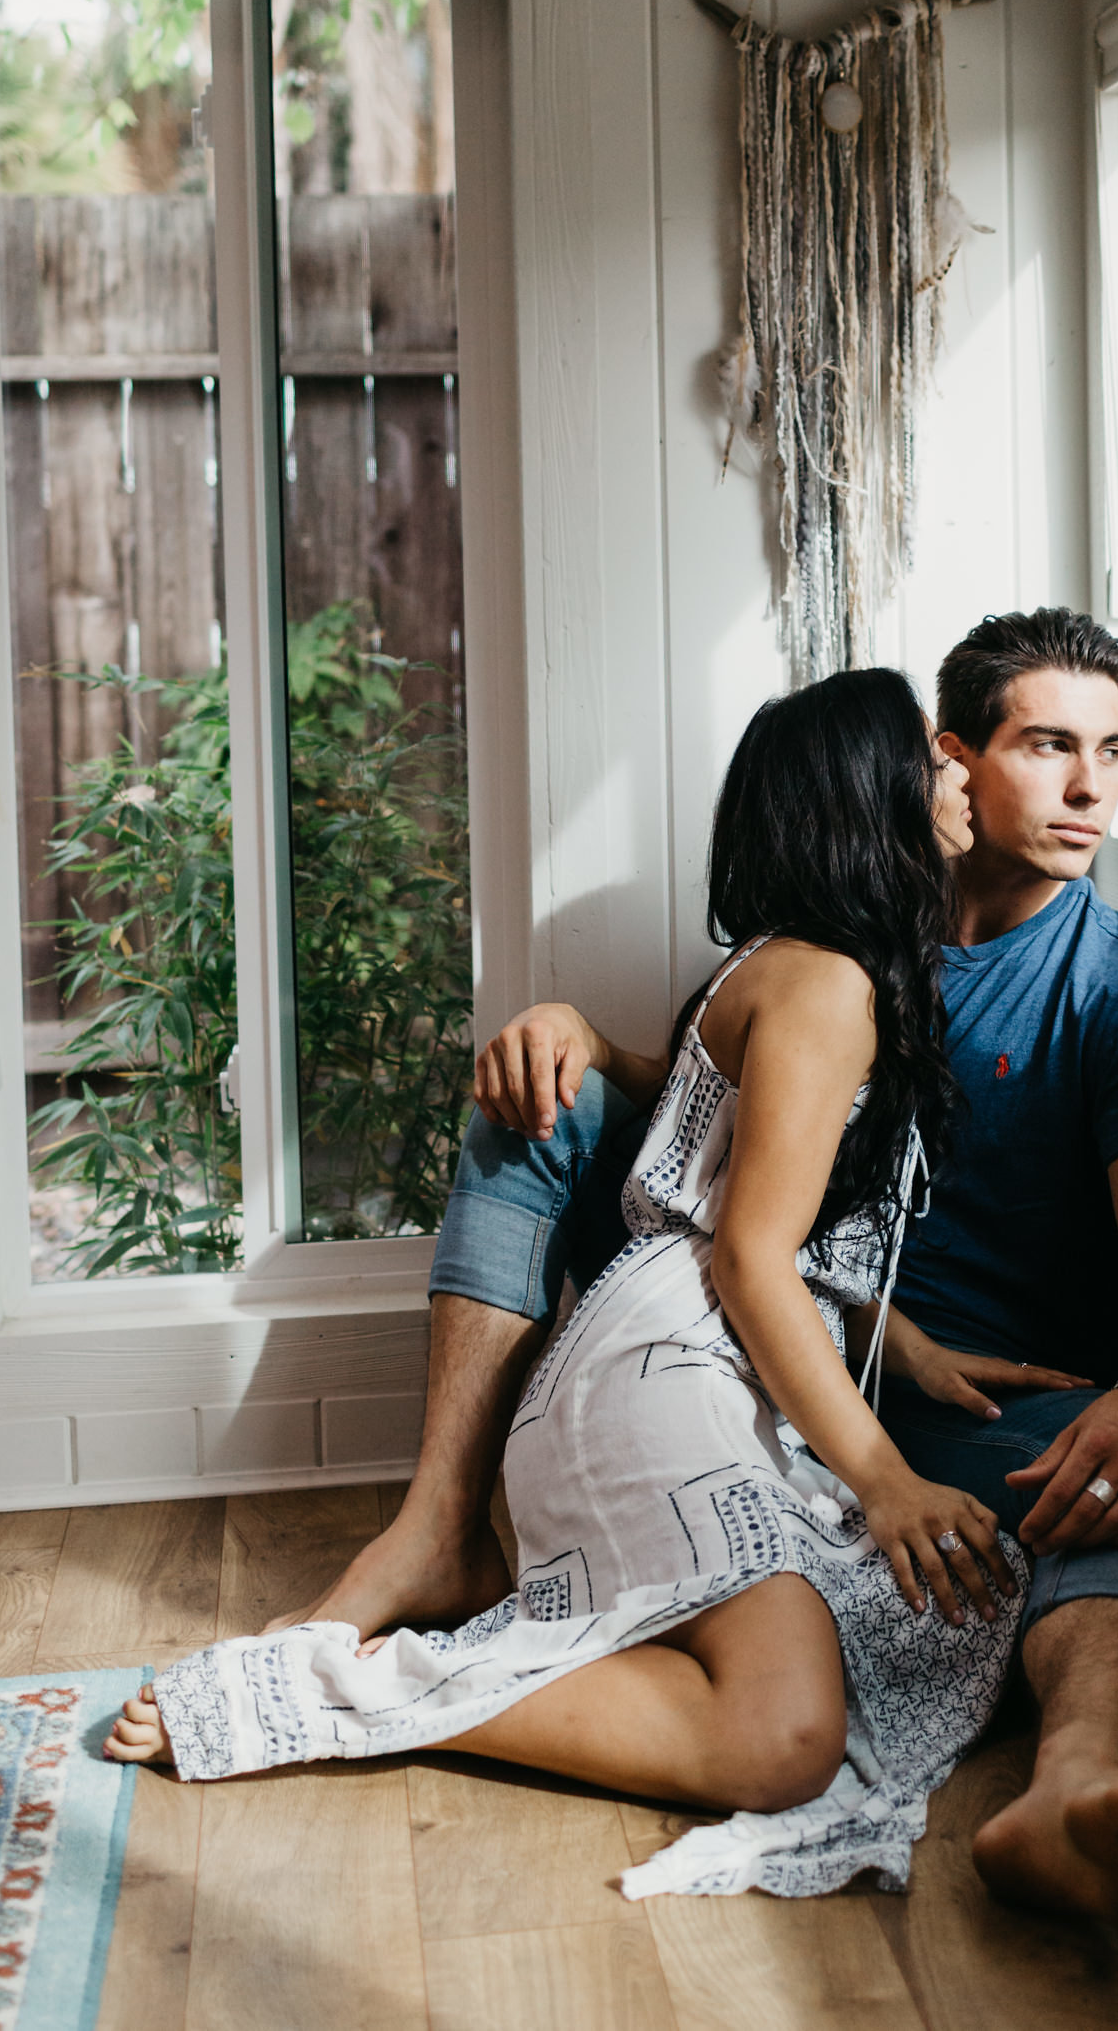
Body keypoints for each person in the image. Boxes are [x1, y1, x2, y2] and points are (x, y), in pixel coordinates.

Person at [268, 607, 1118, 1936]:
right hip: (751, 1337)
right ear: (946, 762)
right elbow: (747, 1155)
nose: (1090, 790)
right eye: (1047, 747)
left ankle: (1073, 1781)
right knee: (532, 1104)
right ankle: (436, 1529)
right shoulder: (856, 937)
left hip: (945, 1387)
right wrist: (588, 1045)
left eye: (1114, 752)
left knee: (1113, 1457)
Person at [106, 670, 1048, 1901]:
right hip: (670, 1371)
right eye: (930, 758)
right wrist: (884, 1479)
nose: (957, 775)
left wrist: (898, 1343)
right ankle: (333, 1684)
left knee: (816, 1707)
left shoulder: (793, 967)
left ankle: (408, 1657)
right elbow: (750, 1258)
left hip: (655, 1364)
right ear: (866, 793)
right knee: (786, 1740)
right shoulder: (827, 985)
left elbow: (747, 1180)